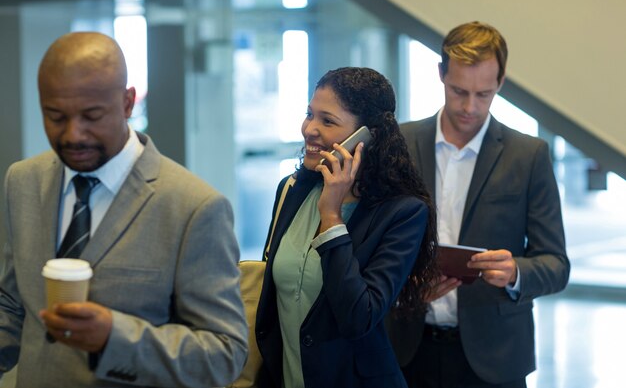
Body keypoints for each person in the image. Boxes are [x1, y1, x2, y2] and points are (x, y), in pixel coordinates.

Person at [0, 32, 247, 387]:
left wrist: (114, 339)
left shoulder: (194, 207)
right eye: (55, 116)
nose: (73, 134)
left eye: (92, 116)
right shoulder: (22, 181)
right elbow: (12, 305)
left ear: (128, 103)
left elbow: (225, 355)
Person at [386, 21, 570, 388]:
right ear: (440, 74)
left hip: (496, 356)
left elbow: (556, 264)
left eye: (484, 94)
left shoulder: (528, 155)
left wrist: (516, 272)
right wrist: (405, 283)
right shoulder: (399, 144)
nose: (470, 107)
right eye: (458, 91)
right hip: (406, 349)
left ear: (500, 82)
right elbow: (374, 244)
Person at [255, 67, 438, 388]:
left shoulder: (403, 213)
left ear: (367, 136)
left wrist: (332, 216)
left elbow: (359, 316)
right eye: (309, 114)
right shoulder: (292, 189)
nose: (309, 129)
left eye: (327, 121)